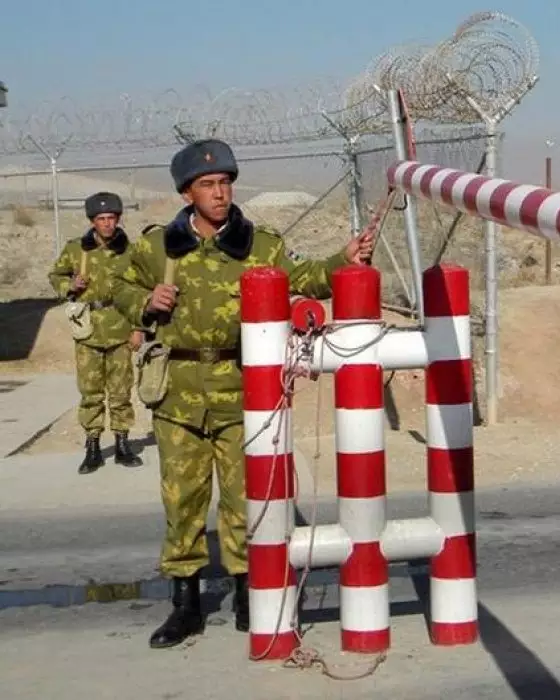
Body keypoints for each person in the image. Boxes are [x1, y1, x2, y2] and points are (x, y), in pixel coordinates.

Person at [112, 138, 374, 649]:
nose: (219, 193)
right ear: (187, 193)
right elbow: (117, 287)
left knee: (244, 501)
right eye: (207, 185)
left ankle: (249, 595)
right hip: (178, 394)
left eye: (225, 183)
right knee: (182, 500)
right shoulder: (156, 247)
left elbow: (306, 277)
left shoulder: (261, 246)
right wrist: (145, 300)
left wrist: (342, 260)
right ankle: (185, 605)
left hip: (242, 392)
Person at [48, 192, 144, 474]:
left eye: (111, 218)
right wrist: (70, 286)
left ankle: (123, 443)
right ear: (92, 221)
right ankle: (93, 447)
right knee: (90, 392)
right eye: (101, 218)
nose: (107, 223)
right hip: (87, 330)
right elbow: (56, 275)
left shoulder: (130, 252)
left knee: (121, 391)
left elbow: (141, 290)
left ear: (118, 219)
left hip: (120, 327)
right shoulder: (76, 249)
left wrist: (138, 328)